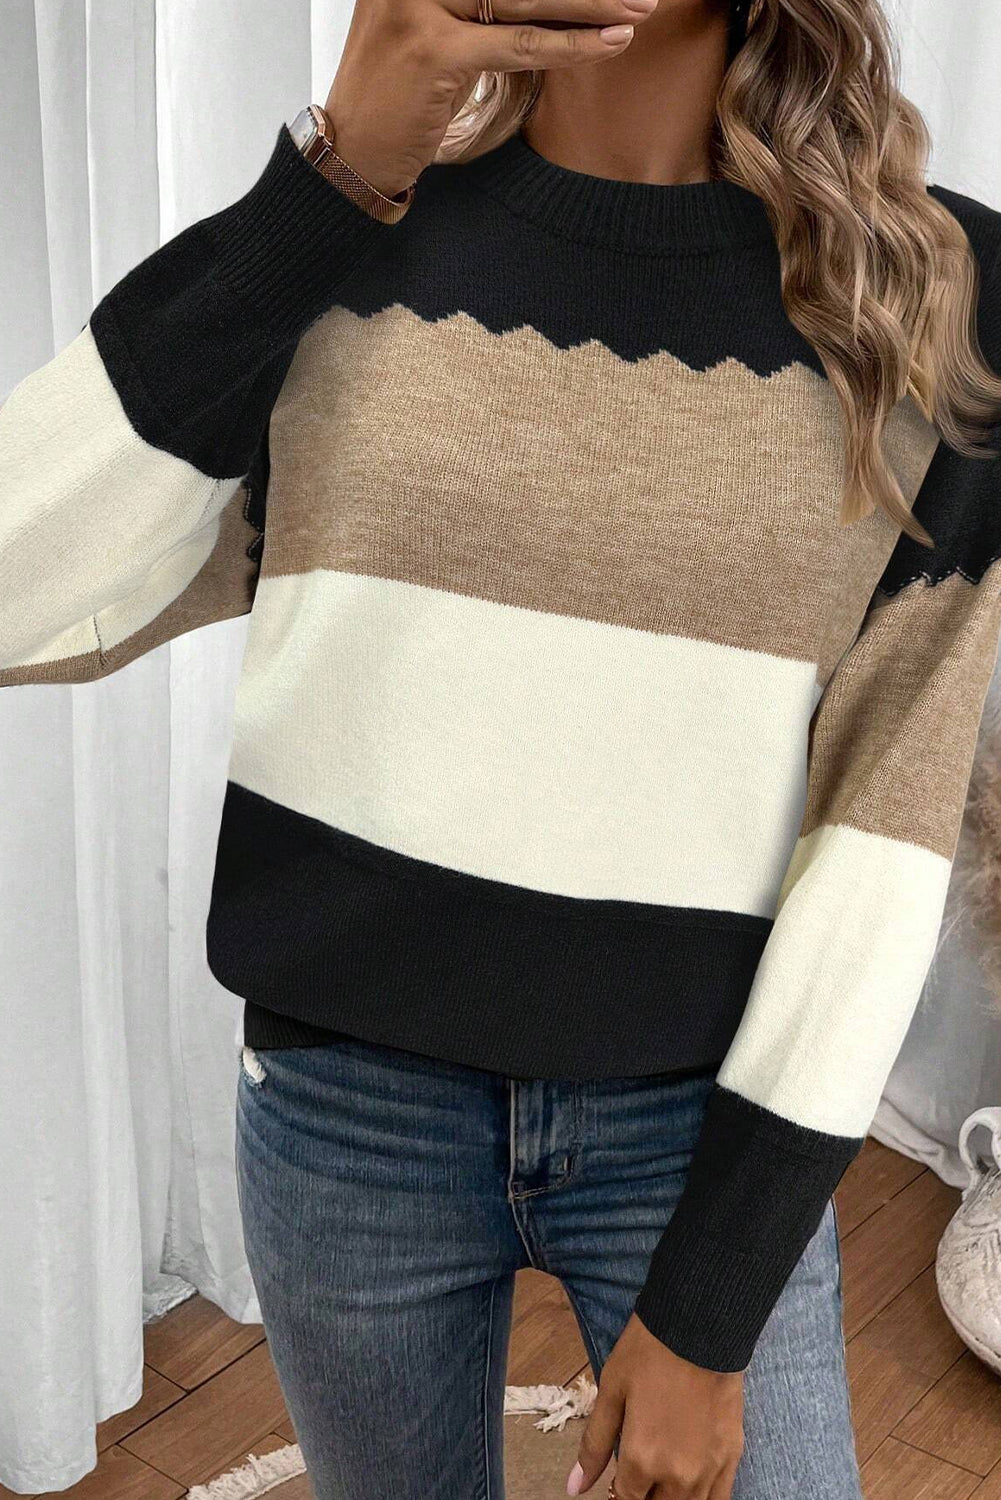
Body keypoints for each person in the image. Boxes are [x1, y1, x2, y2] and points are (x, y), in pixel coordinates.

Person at [2, 0, 1000, 1495]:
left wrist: (712, 1304)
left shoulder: (929, 294)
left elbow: (885, 830)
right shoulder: (341, 238)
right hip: (347, 1114)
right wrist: (328, 182)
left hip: (696, 1117)